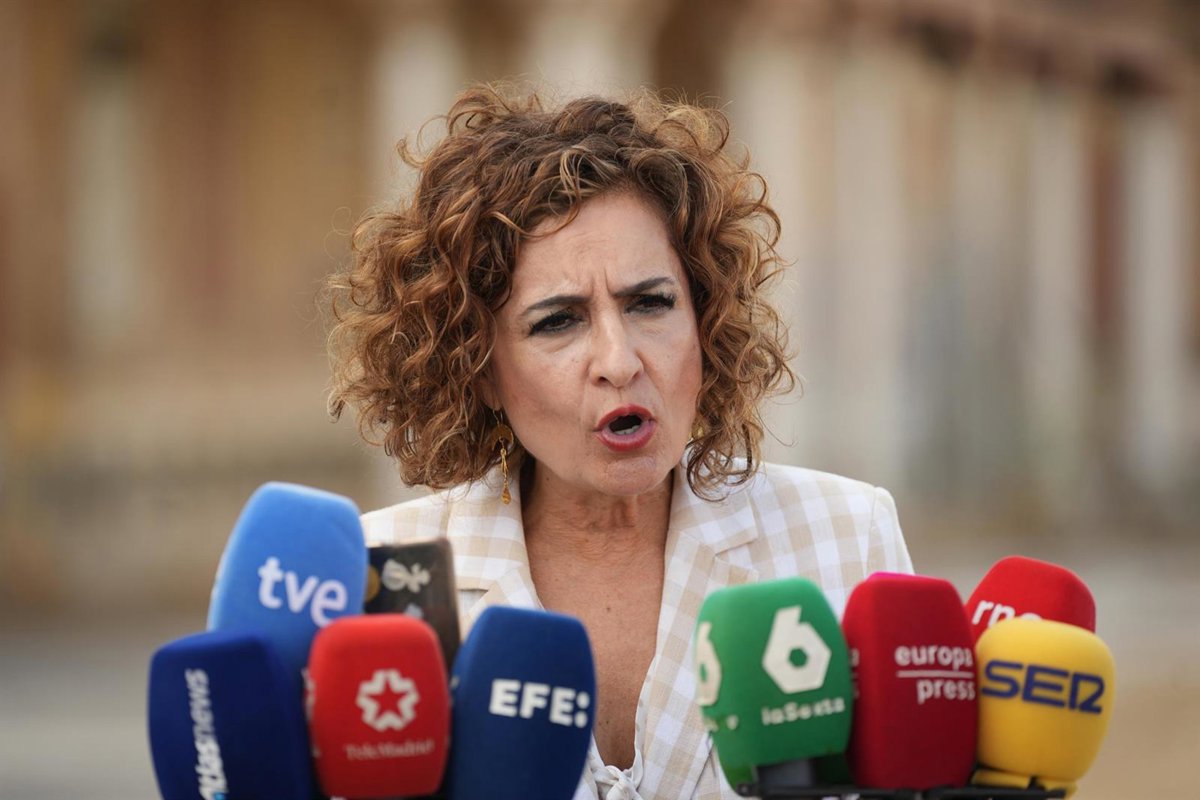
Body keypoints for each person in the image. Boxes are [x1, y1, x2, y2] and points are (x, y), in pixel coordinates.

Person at [325, 84, 913, 800]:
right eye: (558, 321)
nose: (619, 360)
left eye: (650, 303)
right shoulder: (376, 582)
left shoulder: (847, 538)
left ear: (705, 320)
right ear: (478, 369)